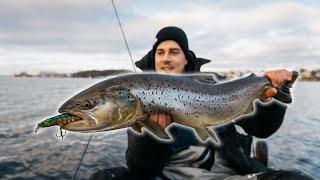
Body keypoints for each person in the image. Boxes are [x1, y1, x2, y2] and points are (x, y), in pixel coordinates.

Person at [90, 26, 313, 180]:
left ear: (186, 58)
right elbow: (140, 169)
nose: (166, 57)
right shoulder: (139, 99)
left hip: (228, 172)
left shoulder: (217, 87)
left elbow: (263, 130)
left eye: (174, 52)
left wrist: (275, 96)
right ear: (154, 59)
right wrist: (151, 136)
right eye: (160, 52)